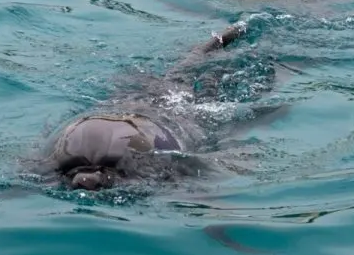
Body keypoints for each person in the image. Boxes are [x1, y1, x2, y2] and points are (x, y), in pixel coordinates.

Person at [44, 21, 250, 191]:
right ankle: (220, 41)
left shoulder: (56, 165)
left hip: (162, 113)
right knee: (180, 78)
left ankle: (223, 40)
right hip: (146, 112)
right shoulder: (61, 162)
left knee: (185, 79)